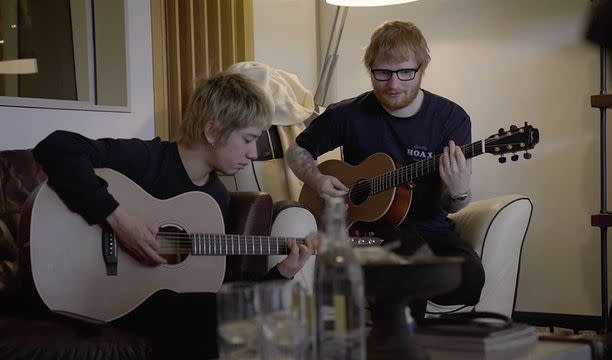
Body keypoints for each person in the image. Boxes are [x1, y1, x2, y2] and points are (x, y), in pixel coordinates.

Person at [32, 71, 317, 359]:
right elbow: (57, 148)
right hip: (105, 293)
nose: (254, 153)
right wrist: (119, 220)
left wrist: (283, 273)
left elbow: (224, 292)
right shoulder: (147, 159)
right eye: (248, 139)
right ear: (212, 132)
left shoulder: (216, 199)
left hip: (159, 305)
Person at [286, 20, 485, 325]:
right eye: (382, 73)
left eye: (406, 72)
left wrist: (459, 192)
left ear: (422, 68)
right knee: (406, 259)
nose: (393, 84)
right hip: (366, 230)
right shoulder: (347, 114)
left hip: (431, 229)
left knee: (471, 279)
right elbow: (297, 151)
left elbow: (452, 205)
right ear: (370, 69)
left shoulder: (450, 119)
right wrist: (316, 178)